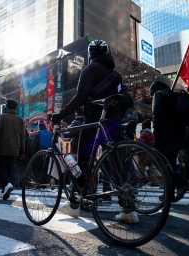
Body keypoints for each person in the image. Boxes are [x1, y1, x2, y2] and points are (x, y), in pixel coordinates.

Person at [51, 40, 135, 222]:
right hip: (113, 121)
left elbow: (80, 97)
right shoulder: (115, 75)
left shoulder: (89, 70)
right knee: (115, 163)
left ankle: (74, 204)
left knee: (82, 161)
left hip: (93, 122)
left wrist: (60, 114)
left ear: (91, 54)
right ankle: (129, 211)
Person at [0, 99, 25, 200]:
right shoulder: (20, 120)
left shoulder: (1, 118)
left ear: (7, 107)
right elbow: (22, 137)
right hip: (15, 150)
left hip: (1, 149)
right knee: (11, 170)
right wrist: (22, 151)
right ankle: (5, 190)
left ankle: (6, 185)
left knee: (1, 170)